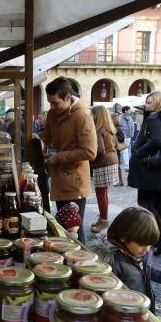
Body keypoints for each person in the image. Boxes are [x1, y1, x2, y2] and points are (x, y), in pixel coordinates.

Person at [42, 76, 98, 243]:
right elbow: (48, 138)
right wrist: (43, 147)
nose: (52, 107)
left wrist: (58, 157)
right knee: (61, 228)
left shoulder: (82, 116)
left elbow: (89, 152)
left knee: (73, 232)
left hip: (75, 183)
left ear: (68, 97)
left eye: (55, 103)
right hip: (59, 179)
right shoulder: (53, 113)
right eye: (50, 103)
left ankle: (78, 265)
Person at [103, 207, 161, 313]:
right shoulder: (112, 264)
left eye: (149, 244)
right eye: (142, 244)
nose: (146, 249)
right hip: (126, 313)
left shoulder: (138, 253)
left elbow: (146, 268)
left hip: (141, 308)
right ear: (124, 237)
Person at [127, 90, 161, 255]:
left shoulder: (155, 118)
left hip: (151, 170)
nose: (146, 105)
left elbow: (155, 140)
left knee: (146, 205)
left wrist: (138, 152)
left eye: (150, 102)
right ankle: (160, 240)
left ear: (159, 103)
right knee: (159, 207)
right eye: (146, 102)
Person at [90, 106, 120, 233]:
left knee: (100, 194)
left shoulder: (98, 130)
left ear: (97, 116)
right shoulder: (110, 129)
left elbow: (100, 150)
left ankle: (104, 221)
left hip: (103, 163)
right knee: (104, 193)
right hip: (112, 161)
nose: (90, 116)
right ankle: (103, 219)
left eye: (92, 114)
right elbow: (117, 146)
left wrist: (90, 159)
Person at [120, 106, 137, 171]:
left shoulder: (130, 117)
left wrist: (131, 135)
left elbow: (132, 125)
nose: (130, 111)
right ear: (125, 111)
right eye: (129, 110)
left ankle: (128, 165)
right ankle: (127, 166)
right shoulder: (120, 117)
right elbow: (120, 127)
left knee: (126, 151)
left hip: (128, 136)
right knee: (125, 151)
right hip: (123, 136)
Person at [110, 113, 125, 186]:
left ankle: (120, 181)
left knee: (117, 165)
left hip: (117, 149)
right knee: (115, 164)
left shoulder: (118, 129)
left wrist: (114, 137)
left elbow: (122, 138)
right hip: (114, 148)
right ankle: (117, 180)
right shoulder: (113, 128)